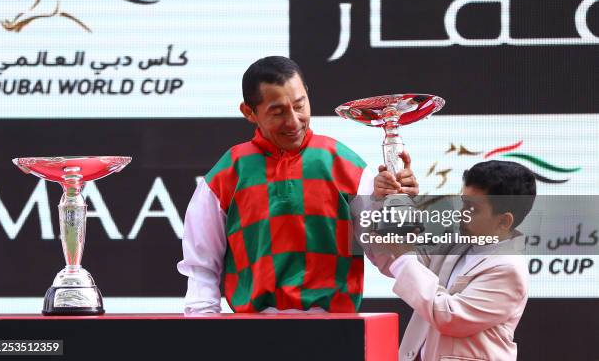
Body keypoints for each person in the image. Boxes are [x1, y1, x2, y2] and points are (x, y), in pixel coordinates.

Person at [177, 56, 419, 313]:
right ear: (249, 112)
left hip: (336, 335)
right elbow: (201, 270)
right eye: (278, 112)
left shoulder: (346, 165)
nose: (293, 121)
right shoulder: (226, 174)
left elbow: (391, 256)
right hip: (250, 335)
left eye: (299, 106)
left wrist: (399, 205)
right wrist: (202, 335)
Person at [369, 160, 536, 361]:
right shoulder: (457, 245)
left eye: (472, 208)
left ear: (503, 221)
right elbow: (390, 259)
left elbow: (449, 317)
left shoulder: (509, 269)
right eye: (463, 202)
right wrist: (389, 199)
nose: (461, 213)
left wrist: (405, 255)